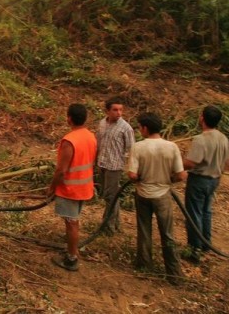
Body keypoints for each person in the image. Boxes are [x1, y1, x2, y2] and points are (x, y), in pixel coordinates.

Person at [127, 112, 187, 284]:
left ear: (145, 128)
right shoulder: (171, 147)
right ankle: (174, 274)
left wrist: (140, 178)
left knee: (144, 231)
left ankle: (145, 266)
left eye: (140, 127)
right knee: (167, 234)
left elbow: (132, 174)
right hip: (163, 195)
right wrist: (168, 180)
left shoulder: (138, 147)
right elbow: (181, 175)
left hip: (143, 193)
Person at [49, 103, 97, 271]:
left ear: (69, 118)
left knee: (71, 223)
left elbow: (61, 171)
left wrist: (52, 188)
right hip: (85, 187)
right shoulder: (91, 136)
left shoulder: (69, 141)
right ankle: (73, 249)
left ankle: (71, 258)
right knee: (73, 221)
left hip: (71, 189)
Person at [183, 105, 229, 262]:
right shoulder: (223, 138)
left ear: (202, 118)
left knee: (194, 212)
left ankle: (195, 248)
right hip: (214, 179)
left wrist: (176, 166)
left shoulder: (201, 139)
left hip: (199, 180)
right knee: (206, 212)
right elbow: (225, 161)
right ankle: (205, 244)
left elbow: (191, 163)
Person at [95, 97, 135, 234]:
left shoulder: (126, 128)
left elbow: (132, 149)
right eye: (115, 110)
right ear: (107, 111)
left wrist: (130, 167)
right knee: (109, 195)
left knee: (110, 196)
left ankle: (109, 225)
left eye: (121, 110)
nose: (119, 113)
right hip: (102, 163)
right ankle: (116, 224)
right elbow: (98, 143)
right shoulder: (102, 123)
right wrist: (96, 161)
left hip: (115, 166)